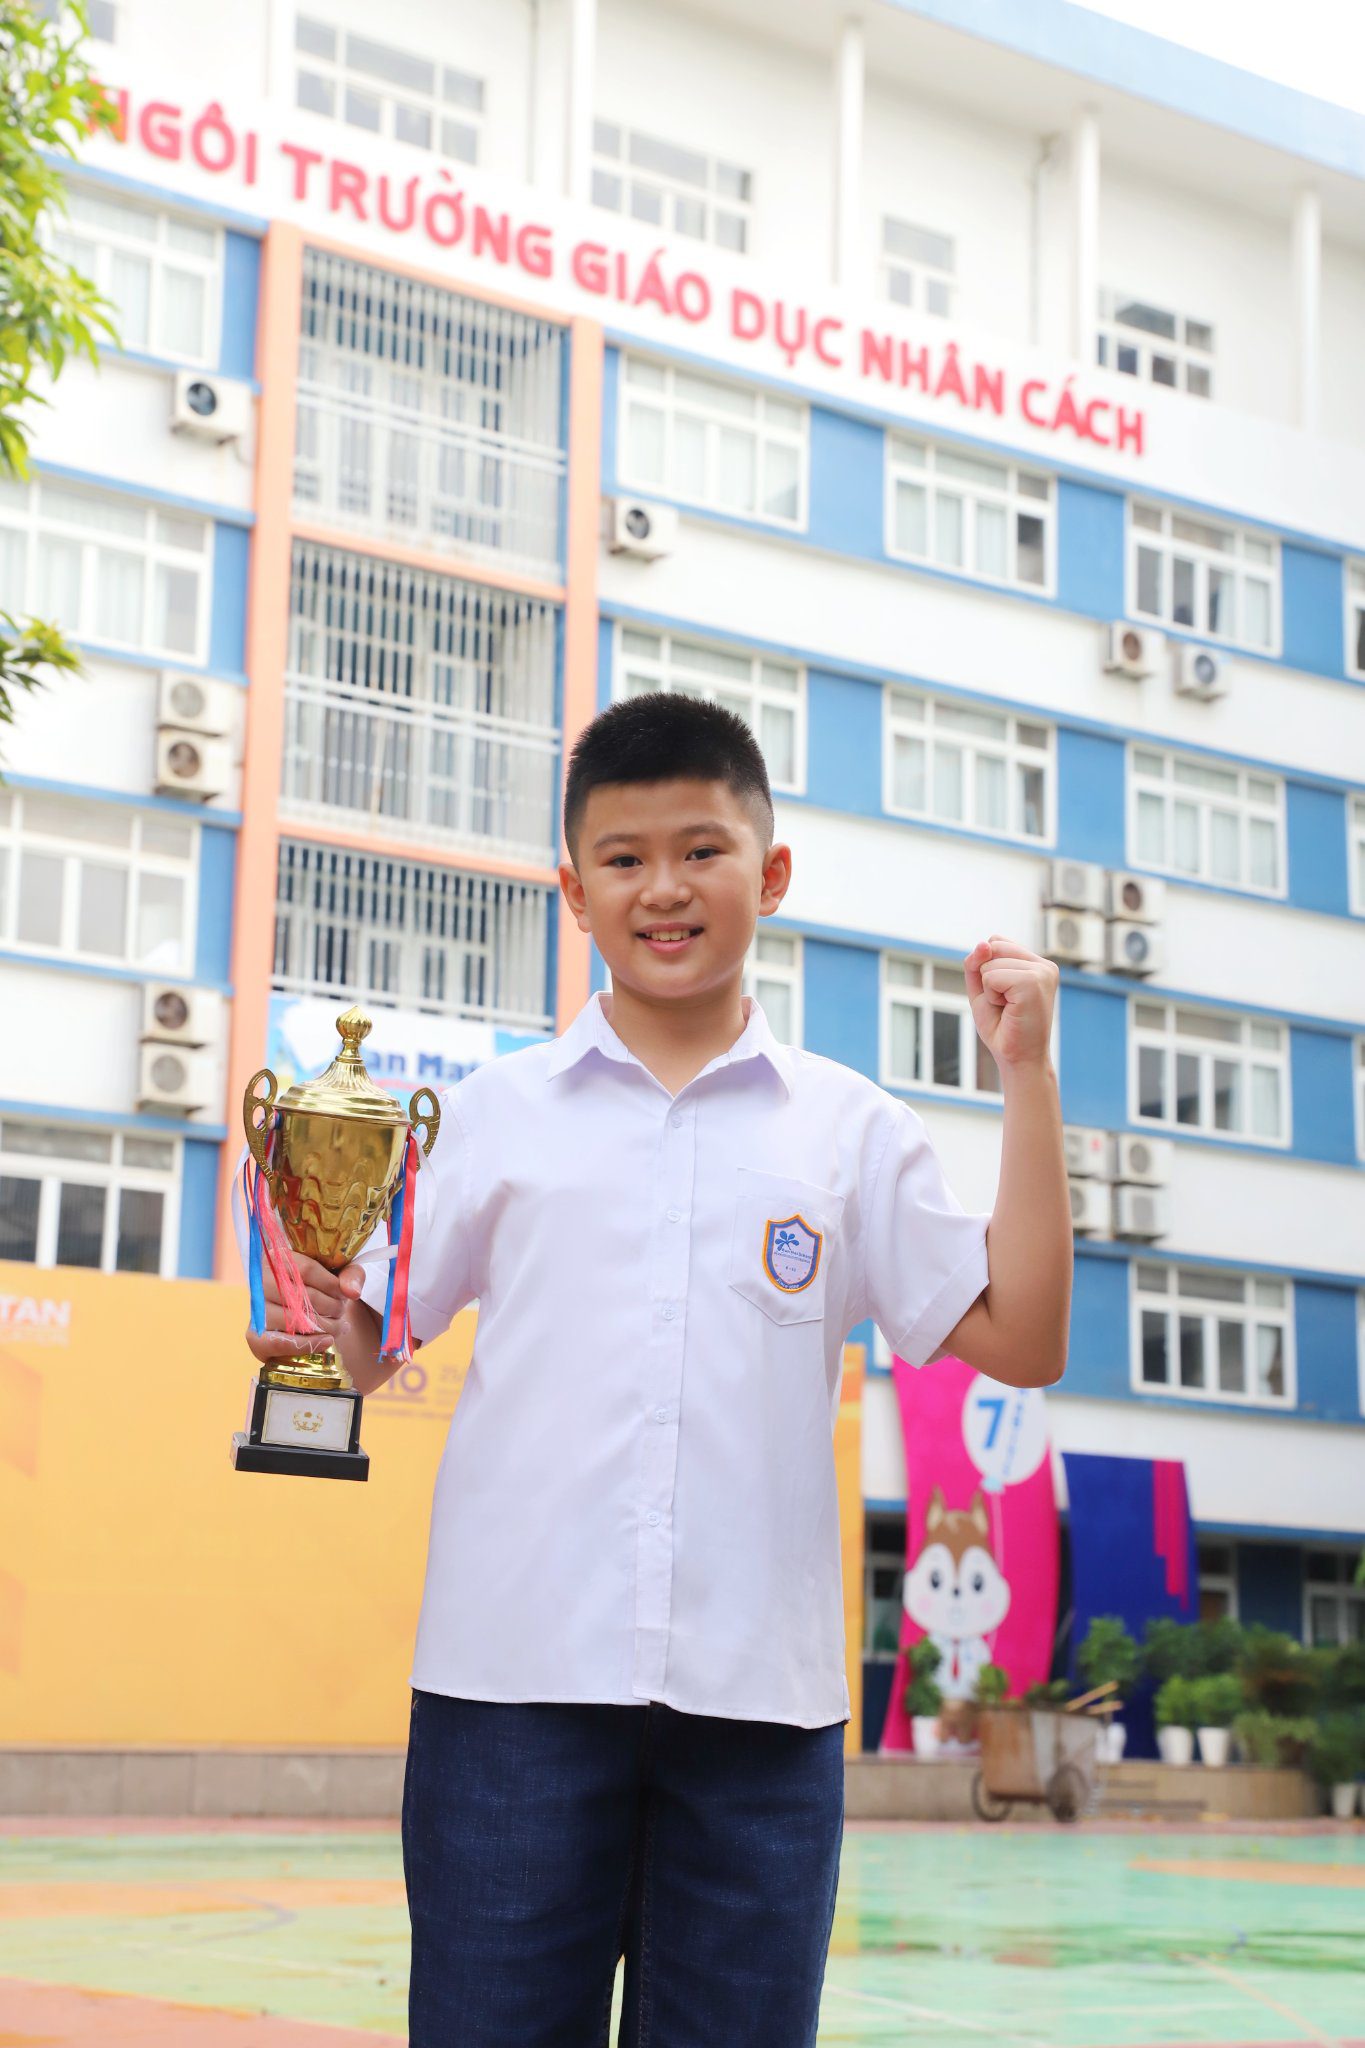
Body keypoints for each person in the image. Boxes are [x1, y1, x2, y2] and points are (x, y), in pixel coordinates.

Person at [245, 689, 1072, 2047]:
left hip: (760, 1715)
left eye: (702, 850)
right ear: (575, 892)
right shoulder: (491, 1116)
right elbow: (368, 1346)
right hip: (509, 1695)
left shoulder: (850, 1131)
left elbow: (1024, 1338)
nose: (664, 889)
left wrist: (1027, 1074)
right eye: (623, 859)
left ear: (772, 872)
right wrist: (303, 1320)